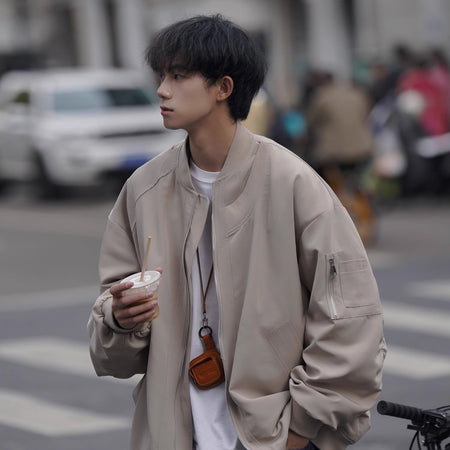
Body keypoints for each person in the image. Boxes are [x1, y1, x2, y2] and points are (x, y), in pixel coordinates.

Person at [88, 14, 386, 450]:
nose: (162, 90)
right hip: (175, 433)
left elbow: (351, 320)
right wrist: (118, 318)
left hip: (268, 434)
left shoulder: (293, 183)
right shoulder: (143, 190)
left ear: (223, 88)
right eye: (161, 76)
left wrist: (298, 430)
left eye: (178, 75)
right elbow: (111, 342)